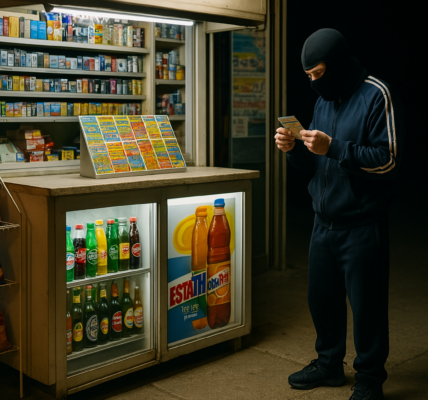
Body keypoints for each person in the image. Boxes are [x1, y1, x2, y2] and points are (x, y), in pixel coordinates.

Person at [275, 29, 404, 400]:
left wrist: (335, 148)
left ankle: (369, 379)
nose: (314, 83)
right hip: (323, 222)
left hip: (363, 223)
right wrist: (293, 149)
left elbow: (389, 161)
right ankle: (329, 365)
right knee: (322, 300)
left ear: (338, 64)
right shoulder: (324, 101)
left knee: (367, 308)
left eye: (318, 73)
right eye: (308, 77)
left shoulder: (378, 94)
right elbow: (315, 162)